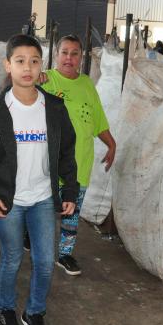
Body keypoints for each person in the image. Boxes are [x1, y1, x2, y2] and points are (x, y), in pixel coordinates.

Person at [0, 34, 77, 325]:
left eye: (33, 61)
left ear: (41, 65)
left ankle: (35, 312)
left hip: (43, 198)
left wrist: (69, 191)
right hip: (9, 200)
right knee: (12, 257)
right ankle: (5, 310)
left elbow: (66, 153)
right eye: (20, 61)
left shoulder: (54, 107)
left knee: (45, 260)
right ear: (8, 65)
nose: (27, 68)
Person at [40, 35, 116, 276]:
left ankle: (64, 254)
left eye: (74, 54)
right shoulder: (46, 80)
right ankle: (32, 239)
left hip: (79, 164)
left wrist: (111, 144)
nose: (69, 58)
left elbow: (98, 120)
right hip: (48, 165)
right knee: (41, 211)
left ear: (81, 57)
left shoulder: (86, 84)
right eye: (64, 52)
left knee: (71, 215)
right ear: (56, 55)